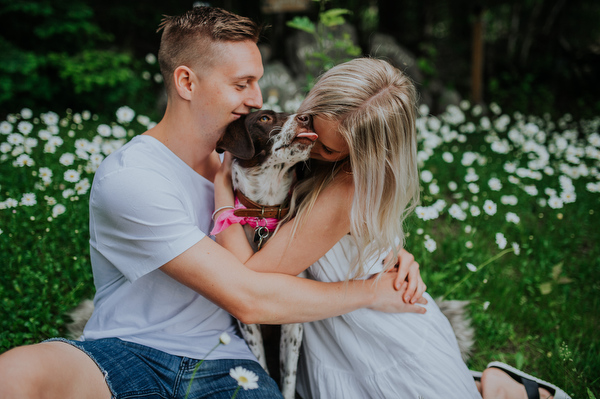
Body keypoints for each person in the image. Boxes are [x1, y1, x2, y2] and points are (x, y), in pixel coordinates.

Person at [0, 8, 427, 399]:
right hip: (129, 350)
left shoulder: (264, 167)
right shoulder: (134, 178)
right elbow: (249, 298)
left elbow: (328, 215)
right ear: (186, 82)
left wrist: (389, 253)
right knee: (17, 373)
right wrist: (370, 292)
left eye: (257, 82)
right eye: (242, 84)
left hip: (228, 363)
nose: (257, 99)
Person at [213, 58, 571, 399]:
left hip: (382, 346)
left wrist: (223, 196)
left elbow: (250, 288)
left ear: (359, 154)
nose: (307, 142)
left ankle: (500, 385)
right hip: (339, 339)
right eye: (309, 122)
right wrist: (395, 250)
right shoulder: (314, 153)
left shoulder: (345, 188)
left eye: (326, 146)